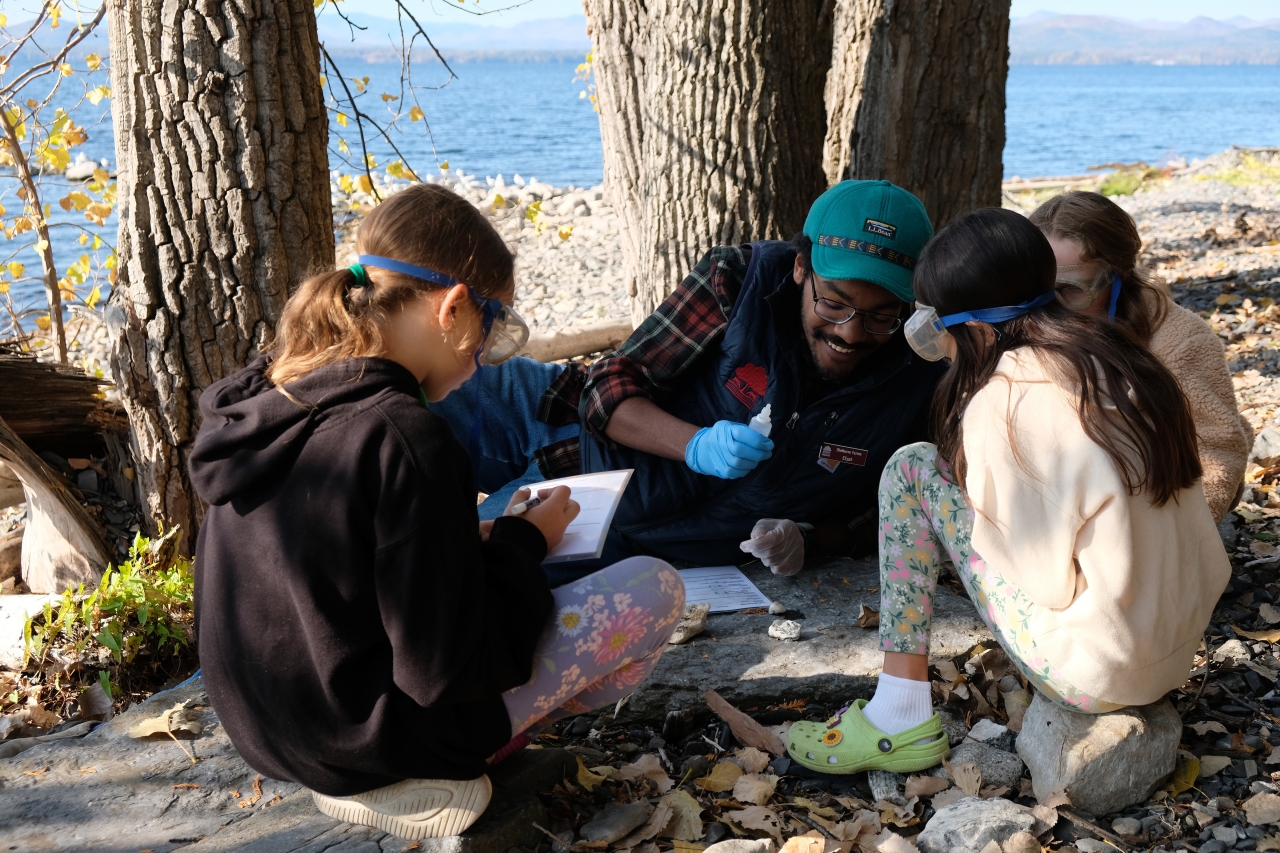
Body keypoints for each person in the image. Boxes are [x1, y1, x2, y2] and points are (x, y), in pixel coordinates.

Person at [188, 184, 686, 840]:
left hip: (273, 734)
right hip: (373, 744)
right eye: (492, 326)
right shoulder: (406, 435)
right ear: (453, 308)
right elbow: (445, 666)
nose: (485, 356)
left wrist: (460, 544)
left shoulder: (269, 395)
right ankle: (446, 769)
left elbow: (340, 575)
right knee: (654, 588)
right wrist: (518, 544)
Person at [785, 208, 1230, 774]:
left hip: (1099, 673)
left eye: (932, 321)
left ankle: (899, 711)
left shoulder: (1007, 397)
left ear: (973, 329)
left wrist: (979, 516)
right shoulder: (1120, 357)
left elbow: (1043, 580)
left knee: (910, 470)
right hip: (1175, 651)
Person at [432, 181, 947, 581]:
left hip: (600, 522)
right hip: (556, 414)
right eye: (833, 303)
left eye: (881, 317)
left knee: (457, 572)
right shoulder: (741, 278)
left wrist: (809, 540)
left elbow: (890, 508)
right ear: (799, 267)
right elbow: (608, 385)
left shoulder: (924, 374)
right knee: (401, 399)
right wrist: (695, 444)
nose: (850, 333)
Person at [1030, 191, 1253, 522]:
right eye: (1040, 289)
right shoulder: (1032, 320)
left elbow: (1218, 450)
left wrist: (1184, 539)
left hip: (1159, 508)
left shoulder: (1181, 340)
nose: (1053, 307)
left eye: (1072, 289)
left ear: (1118, 275)